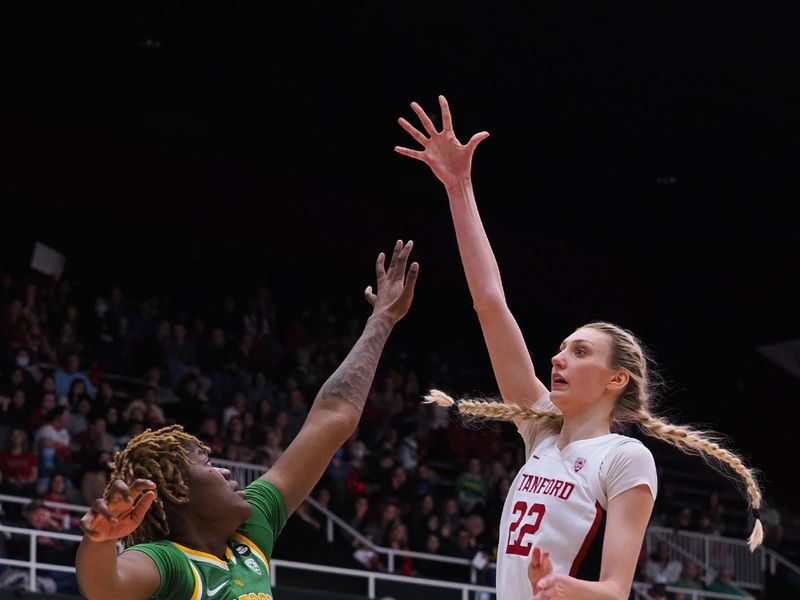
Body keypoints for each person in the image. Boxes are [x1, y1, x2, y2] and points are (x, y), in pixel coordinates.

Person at [395, 95, 764, 599]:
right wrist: (458, 188)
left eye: (581, 352)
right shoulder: (540, 435)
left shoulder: (624, 457)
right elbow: (490, 303)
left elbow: (614, 590)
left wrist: (561, 585)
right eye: (563, 348)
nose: (558, 358)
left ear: (618, 379)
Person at [75, 240, 419, 600]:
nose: (226, 472)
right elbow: (105, 588)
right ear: (177, 492)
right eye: (207, 463)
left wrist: (381, 321)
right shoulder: (170, 562)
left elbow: (332, 419)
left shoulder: (251, 530)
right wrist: (100, 540)